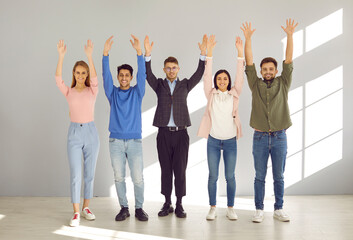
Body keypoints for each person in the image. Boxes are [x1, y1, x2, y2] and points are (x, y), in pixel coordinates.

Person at [241, 19, 298, 223]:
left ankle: (279, 208)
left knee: (279, 176)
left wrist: (290, 36)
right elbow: (249, 63)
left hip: (280, 136)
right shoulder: (254, 84)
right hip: (260, 138)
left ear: (275, 70)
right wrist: (248, 39)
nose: (267, 72)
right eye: (264, 69)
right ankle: (258, 209)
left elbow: (289, 59)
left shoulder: (283, 83)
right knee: (259, 176)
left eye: (270, 69)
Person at [144, 35, 207, 218]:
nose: (171, 70)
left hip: (181, 134)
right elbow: (147, 75)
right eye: (168, 68)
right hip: (163, 133)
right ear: (164, 69)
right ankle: (167, 202)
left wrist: (202, 55)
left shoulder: (185, 84)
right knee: (165, 169)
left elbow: (199, 74)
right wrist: (147, 56)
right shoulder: (160, 85)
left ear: (178, 69)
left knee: (180, 169)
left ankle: (179, 203)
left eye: (174, 68)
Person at [197, 35, 245, 221]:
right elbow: (206, 76)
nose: (222, 81)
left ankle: (231, 208)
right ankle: (212, 207)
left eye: (225, 78)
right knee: (213, 176)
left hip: (231, 141)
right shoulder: (211, 94)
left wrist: (240, 54)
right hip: (214, 141)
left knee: (230, 176)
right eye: (219, 78)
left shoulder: (235, 94)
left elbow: (240, 77)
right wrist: (209, 53)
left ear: (229, 81)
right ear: (216, 81)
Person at [102, 35, 149, 221]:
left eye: (126, 75)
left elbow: (142, 76)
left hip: (134, 140)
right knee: (119, 177)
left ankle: (139, 208)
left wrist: (139, 53)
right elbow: (105, 76)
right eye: (120, 75)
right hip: (115, 141)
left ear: (130, 77)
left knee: (138, 177)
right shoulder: (112, 93)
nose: (123, 78)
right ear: (118, 77)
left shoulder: (138, 92)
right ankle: (124, 208)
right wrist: (105, 54)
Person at [55, 40, 100, 227]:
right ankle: (75, 212)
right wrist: (61, 57)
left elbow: (97, 79)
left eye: (84, 72)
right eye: (78, 72)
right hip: (74, 133)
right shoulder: (69, 92)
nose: (81, 75)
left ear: (87, 74)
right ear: (74, 74)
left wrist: (90, 56)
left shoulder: (92, 90)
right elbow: (58, 79)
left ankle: (86, 208)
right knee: (75, 174)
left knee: (89, 173)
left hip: (91, 132)